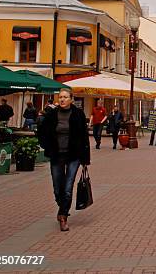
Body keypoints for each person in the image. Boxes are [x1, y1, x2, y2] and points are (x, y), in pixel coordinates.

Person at [38, 88, 90, 231]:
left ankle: (63, 216)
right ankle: (62, 206)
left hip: (73, 156)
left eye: (65, 97)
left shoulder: (78, 114)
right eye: (60, 97)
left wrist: (85, 159)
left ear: (71, 99)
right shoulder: (52, 115)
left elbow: (84, 137)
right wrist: (46, 145)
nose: (62, 99)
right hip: (56, 155)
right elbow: (42, 132)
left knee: (68, 187)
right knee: (57, 188)